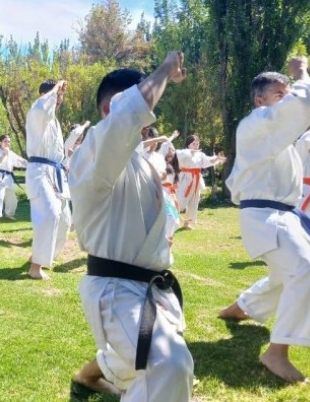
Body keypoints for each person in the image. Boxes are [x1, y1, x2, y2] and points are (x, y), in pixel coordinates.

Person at [69, 52, 192, 401]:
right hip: (116, 290)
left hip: (149, 289)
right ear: (112, 109)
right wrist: (165, 69)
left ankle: (87, 377)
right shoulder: (93, 154)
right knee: (169, 364)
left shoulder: (138, 161)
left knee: (137, 359)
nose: (145, 119)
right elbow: (125, 118)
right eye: (137, 98)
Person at [219, 57, 310, 383]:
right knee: (307, 271)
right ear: (260, 100)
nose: (288, 97)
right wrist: (301, 73)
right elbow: (304, 102)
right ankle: (276, 353)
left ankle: (239, 308)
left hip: (281, 215)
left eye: (288, 91)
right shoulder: (256, 124)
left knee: (284, 276)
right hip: (265, 215)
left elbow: (292, 143)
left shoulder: (271, 133)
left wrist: (308, 135)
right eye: (281, 94)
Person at [25, 79, 72, 280]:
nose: (59, 97)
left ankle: (41, 256)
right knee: (51, 213)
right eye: (56, 94)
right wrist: (55, 88)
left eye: (61, 95)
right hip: (39, 171)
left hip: (56, 172)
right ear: (44, 94)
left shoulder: (54, 121)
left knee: (65, 220)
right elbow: (44, 108)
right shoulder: (37, 111)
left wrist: (64, 163)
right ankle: (35, 267)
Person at [175, 135, 225, 229]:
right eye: (193, 144)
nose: (196, 146)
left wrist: (217, 158)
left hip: (196, 180)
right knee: (180, 201)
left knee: (194, 202)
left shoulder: (200, 155)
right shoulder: (183, 153)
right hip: (185, 180)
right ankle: (172, 220)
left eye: (197, 144)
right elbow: (176, 156)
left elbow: (207, 161)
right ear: (188, 145)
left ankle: (188, 223)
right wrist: (189, 152)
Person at [143, 127, 181, 241]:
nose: (154, 144)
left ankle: (166, 241)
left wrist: (163, 177)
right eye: (152, 141)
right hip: (144, 194)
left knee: (172, 218)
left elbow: (161, 176)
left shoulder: (159, 157)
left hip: (161, 193)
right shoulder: (138, 154)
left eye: (156, 141)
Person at [0, 134, 27, 225]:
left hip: (8, 178)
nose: (7, 143)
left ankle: (9, 214)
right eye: (5, 141)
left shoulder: (10, 153)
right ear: (0, 142)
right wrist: (3, 155)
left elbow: (19, 161)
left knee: (12, 199)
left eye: (8, 141)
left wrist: (31, 164)